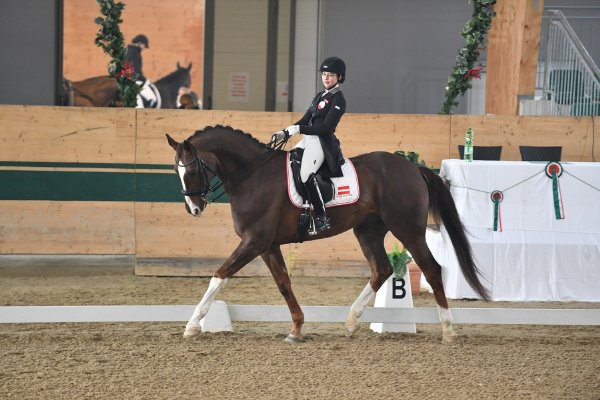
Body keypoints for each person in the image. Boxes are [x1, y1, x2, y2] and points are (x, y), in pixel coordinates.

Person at [273, 56, 347, 233]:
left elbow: (326, 127)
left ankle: (322, 217)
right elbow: (306, 119)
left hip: (322, 142)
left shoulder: (338, 99)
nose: (326, 78)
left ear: (339, 77)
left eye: (330, 75)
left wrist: (299, 129)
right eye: (324, 74)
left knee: (306, 173)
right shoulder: (319, 96)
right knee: (290, 163)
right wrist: (286, 131)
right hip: (308, 139)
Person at [126, 34, 158, 108]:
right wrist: (145, 80)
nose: (143, 48)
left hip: (122, 79)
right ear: (140, 43)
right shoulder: (136, 54)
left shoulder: (126, 50)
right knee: (152, 98)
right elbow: (137, 71)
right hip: (133, 80)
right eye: (144, 45)